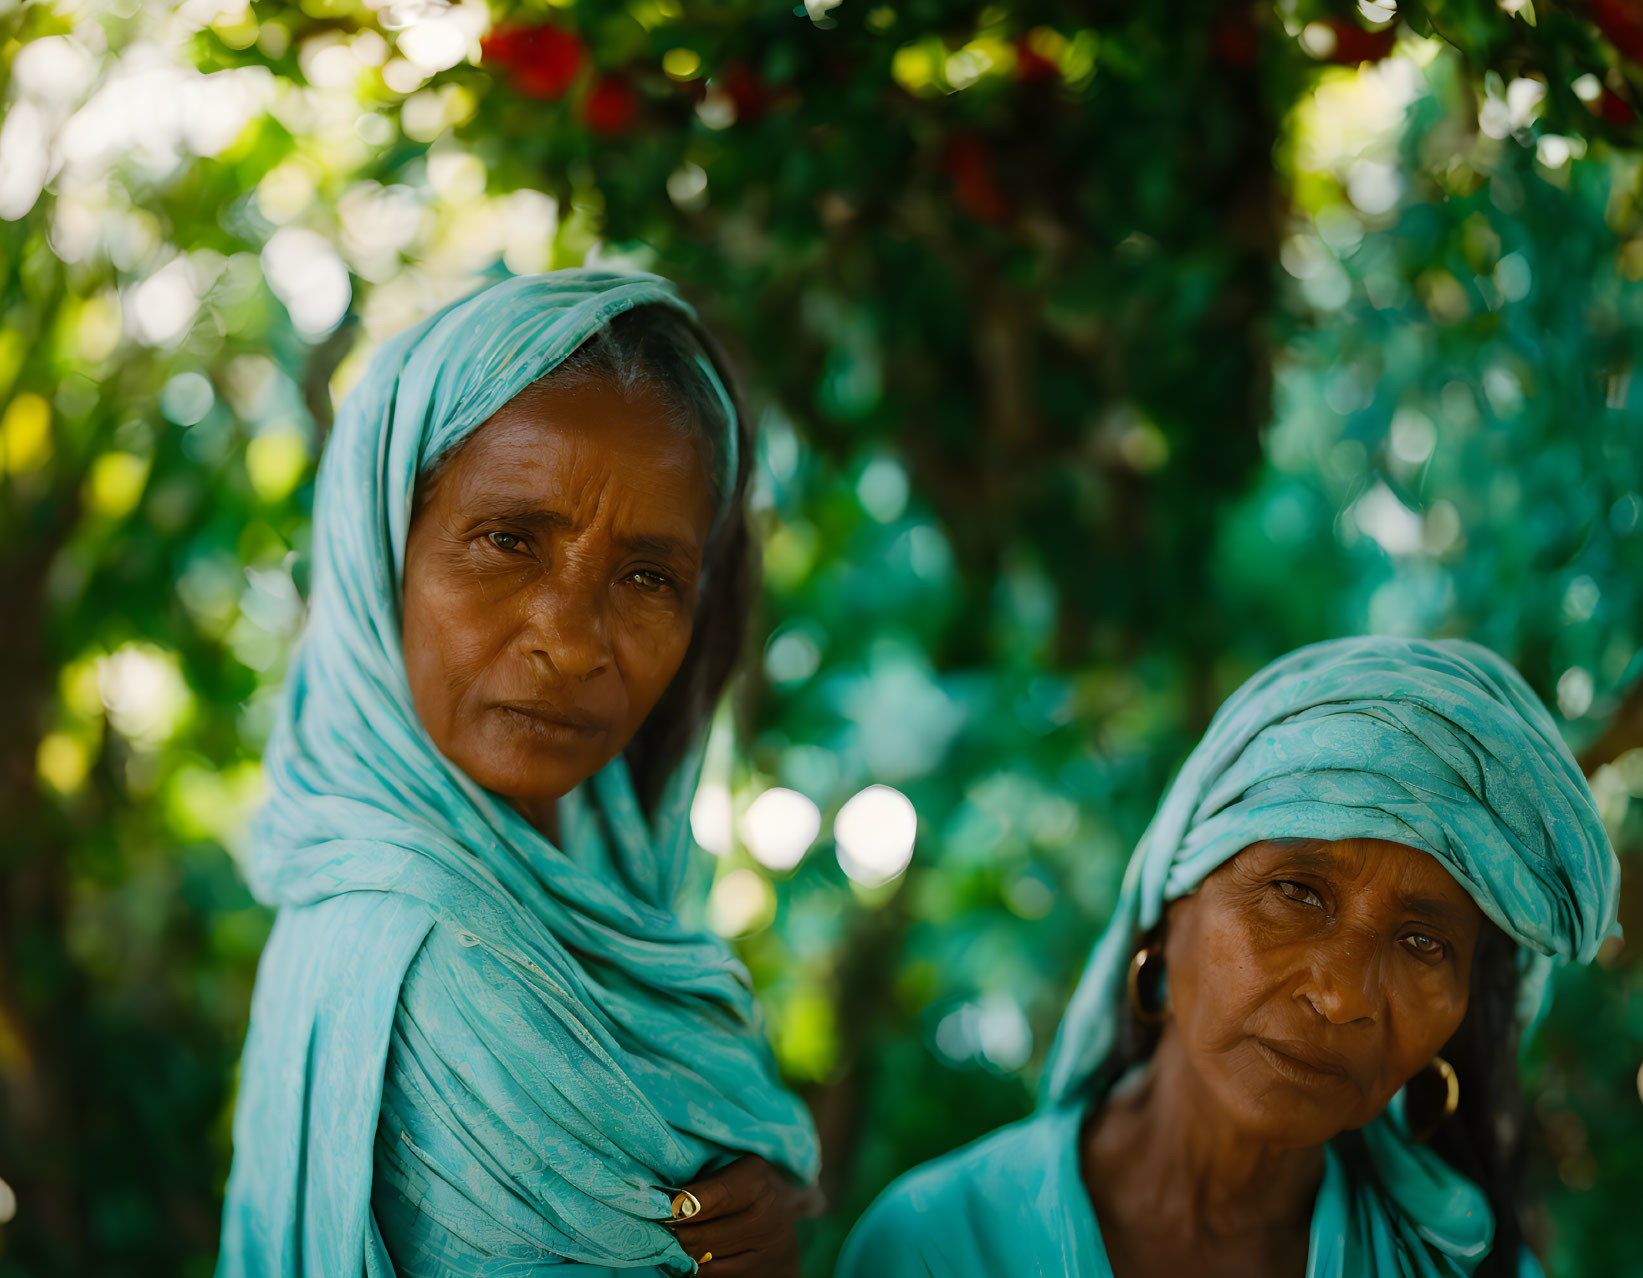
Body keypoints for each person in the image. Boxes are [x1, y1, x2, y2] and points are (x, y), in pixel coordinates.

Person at [217, 269, 819, 1278]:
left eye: (645, 577)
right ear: (382, 555)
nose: (571, 641)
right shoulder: (437, 952)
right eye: (507, 541)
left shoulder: (527, 887)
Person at [837, 636, 1620, 1278]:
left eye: (1423, 943)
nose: (1342, 992)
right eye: (1296, 891)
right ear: (1169, 908)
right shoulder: (935, 1248)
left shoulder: (1465, 1268)